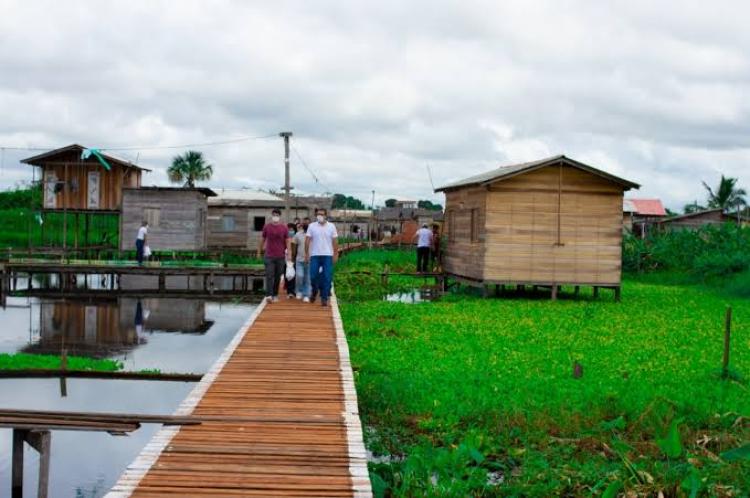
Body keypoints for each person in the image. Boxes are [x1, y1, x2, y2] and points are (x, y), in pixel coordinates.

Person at [305, 208, 338, 307]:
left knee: (327, 277)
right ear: (316, 215)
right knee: (313, 276)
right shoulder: (312, 226)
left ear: (326, 215)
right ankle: (314, 291)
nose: (320, 216)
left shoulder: (331, 226)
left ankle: (324, 298)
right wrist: (306, 253)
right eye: (318, 214)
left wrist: (336, 254)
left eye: (322, 214)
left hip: (328, 255)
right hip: (315, 255)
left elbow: (335, 241)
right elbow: (307, 240)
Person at [257, 209, 291, 303]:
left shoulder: (284, 228)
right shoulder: (267, 227)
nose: (275, 216)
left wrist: (289, 254)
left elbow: (288, 241)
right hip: (269, 256)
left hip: (280, 256)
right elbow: (262, 239)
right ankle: (269, 295)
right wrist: (259, 252)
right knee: (269, 275)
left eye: (277, 215)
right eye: (274, 215)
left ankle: (275, 294)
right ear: (272, 216)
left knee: (277, 276)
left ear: (279, 216)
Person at [292, 221, 311, 302]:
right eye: (304, 224)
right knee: (299, 276)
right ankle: (299, 291)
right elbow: (294, 244)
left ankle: (306, 294)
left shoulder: (313, 235)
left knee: (307, 278)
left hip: (310, 260)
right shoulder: (298, 234)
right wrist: (293, 256)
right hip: (299, 259)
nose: (306, 226)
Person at [284, 223, 297, 298]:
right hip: (285, 259)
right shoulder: (284, 238)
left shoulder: (296, 238)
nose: (290, 231)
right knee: (288, 275)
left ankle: (292, 290)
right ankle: (289, 291)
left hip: (295, 259)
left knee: (294, 275)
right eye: (288, 230)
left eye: (292, 230)